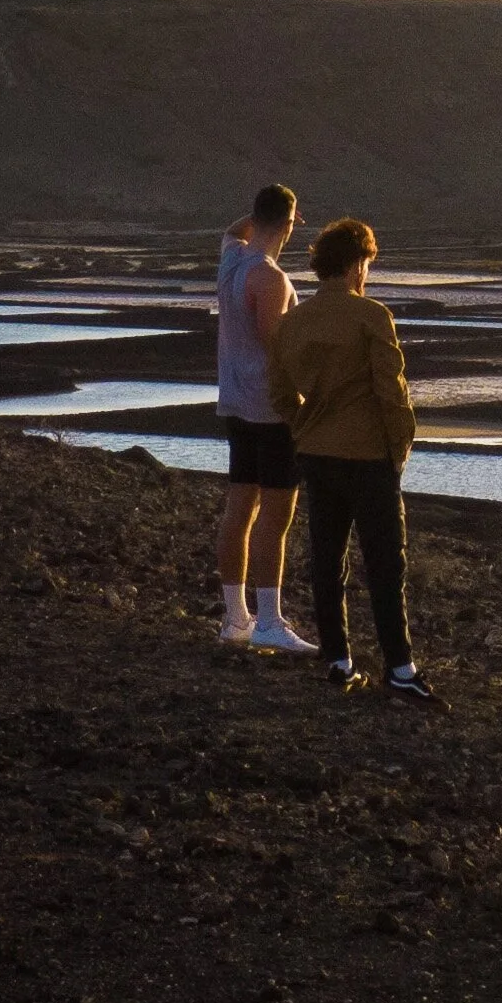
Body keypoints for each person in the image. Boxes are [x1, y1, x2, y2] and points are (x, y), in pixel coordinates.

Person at [267, 216, 435, 704]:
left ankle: (338, 659)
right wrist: (400, 446)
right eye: (367, 264)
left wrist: (304, 429)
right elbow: (393, 392)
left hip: (316, 453)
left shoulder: (292, 323)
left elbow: (279, 393)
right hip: (368, 456)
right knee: (386, 563)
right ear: (357, 263)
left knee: (326, 557)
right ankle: (399, 666)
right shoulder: (371, 316)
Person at [213, 184, 319, 653]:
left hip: (236, 404)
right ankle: (270, 620)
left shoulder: (232, 256)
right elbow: (276, 344)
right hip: (271, 410)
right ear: (291, 222)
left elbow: (234, 228)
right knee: (275, 516)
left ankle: (237, 616)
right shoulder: (269, 277)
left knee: (240, 510)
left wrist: (262, 214)